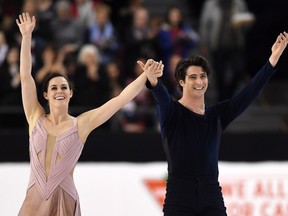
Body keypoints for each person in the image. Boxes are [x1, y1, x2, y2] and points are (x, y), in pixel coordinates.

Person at [16, 13, 163, 216]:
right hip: (33, 200)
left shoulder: (81, 124)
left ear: (70, 93)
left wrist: (145, 76)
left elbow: (119, 100)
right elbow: (25, 77)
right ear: (46, 94)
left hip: (64, 200)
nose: (59, 91)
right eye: (54, 88)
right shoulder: (35, 117)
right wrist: (26, 36)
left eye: (64, 87)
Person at [142, 31, 288, 215]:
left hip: (211, 195)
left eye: (203, 76)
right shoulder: (171, 112)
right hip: (179, 196)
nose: (199, 81)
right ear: (181, 82)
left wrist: (272, 61)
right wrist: (153, 80)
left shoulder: (216, 116)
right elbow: (160, 96)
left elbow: (248, 94)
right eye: (193, 77)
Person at [199, 0, 255, 102]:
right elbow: (204, 24)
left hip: (235, 44)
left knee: (238, 70)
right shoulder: (211, 4)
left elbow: (247, 25)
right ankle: (222, 99)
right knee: (219, 73)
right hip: (217, 45)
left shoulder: (239, 3)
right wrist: (204, 42)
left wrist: (243, 23)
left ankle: (228, 95)